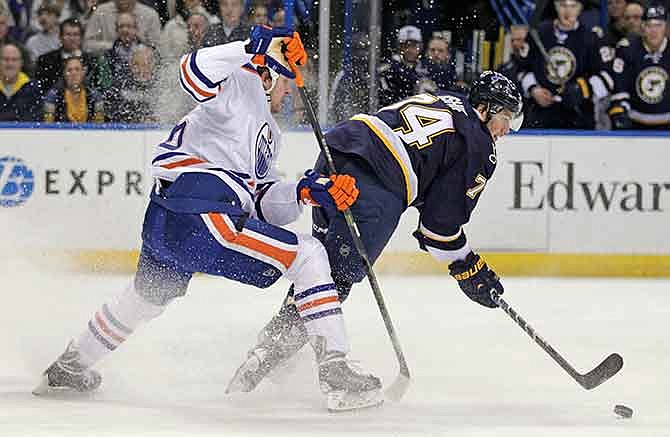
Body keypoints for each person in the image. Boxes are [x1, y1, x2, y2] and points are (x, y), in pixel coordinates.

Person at [33, 25, 383, 412]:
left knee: (146, 297)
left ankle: (71, 364)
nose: (293, 94)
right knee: (310, 255)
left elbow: (261, 204)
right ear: (267, 75)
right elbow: (191, 71)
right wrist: (253, 47)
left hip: (169, 221)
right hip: (201, 211)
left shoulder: (269, 134)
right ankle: (335, 368)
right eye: (289, 83)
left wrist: (304, 190)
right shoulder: (238, 82)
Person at [226, 71, 524, 395]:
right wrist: (468, 267)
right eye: (505, 118)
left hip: (337, 151)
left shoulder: (446, 102)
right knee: (335, 277)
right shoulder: (478, 143)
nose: (506, 130)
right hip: (375, 185)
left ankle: (272, 347)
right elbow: (439, 230)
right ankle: (323, 370)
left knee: (317, 269)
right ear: (485, 109)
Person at [519, 0, 613, 129]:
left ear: (580, 9)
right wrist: (533, 89)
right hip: (541, 113)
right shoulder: (539, 33)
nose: (567, 11)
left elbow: (607, 77)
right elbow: (522, 69)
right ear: (556, 7)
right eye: (563, 5)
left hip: (579, 115)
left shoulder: (592, 37)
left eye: (573, 6)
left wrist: (583, 90)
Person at [608, 4, 670, 129]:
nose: (654, 31)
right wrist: (620, 109)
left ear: (666, 27)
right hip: (635, 125)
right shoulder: (627, 49)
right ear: (642, 27)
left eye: (658, 25)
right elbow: (620, 86)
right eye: (649, 25)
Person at [35, 18, 98, 92]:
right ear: (60, 37)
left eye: (76, 34)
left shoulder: (92, 61)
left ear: (81, 38)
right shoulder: (46, 60)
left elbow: (96, 87)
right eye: (68, 34)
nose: (72, 38)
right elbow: (41, 89)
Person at [83, 0, 161, 56]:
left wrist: (138, 49)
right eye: (121, 26)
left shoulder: (150, 15)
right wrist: (114, 47)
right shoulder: (100, 12)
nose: (125, 30)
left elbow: (157, 49)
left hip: (142, 65)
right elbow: (87, 45)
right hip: (108, 65)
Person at [43, 56, 105, 122]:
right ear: (64, 74)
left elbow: (99, 124)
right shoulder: (53, 96)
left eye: (77, 69)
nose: (73, 73)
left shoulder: (94, 96)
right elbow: (48, 124)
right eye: (69, 70)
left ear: (83, 72)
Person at [0, 42, 42, 120]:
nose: (10, 64)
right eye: (6, 59)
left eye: (14, 60)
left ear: (21, 63)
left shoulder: (32, 88)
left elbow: (35, 120)